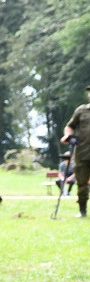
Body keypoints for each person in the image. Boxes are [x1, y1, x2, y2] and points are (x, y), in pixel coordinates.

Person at [61, 85, 90, 217]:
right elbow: (70, 126)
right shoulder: (81, 111)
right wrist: (68, 136)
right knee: (81, 183)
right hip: (82, 153)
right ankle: (82, 210)